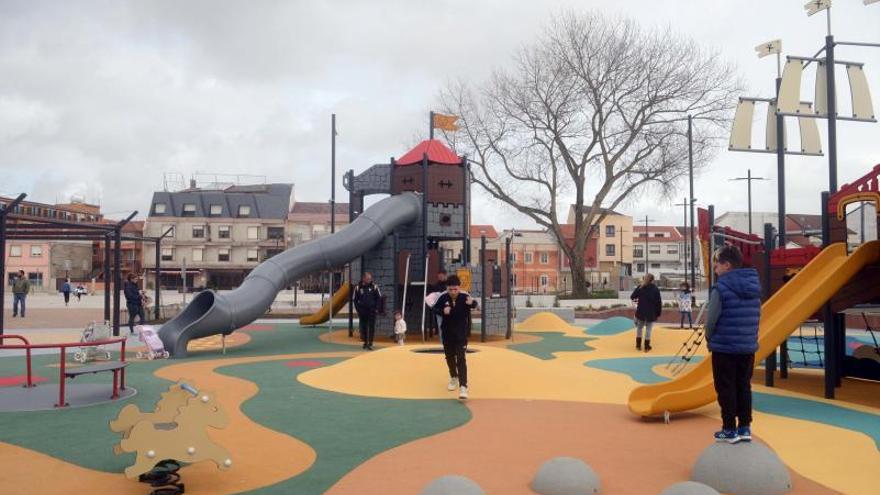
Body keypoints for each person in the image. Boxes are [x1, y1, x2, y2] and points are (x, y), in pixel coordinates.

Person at [705, 245, 761, 444]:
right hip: (747, 346)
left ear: (727, 265)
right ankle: (744, 426)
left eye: (716, 265)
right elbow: (756, 316)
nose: (715, 269)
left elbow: (711, 319)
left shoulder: (720, 288)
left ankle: (729, 428)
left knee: (725, 387)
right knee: (743, 386)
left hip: (725, 346)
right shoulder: (753, 287)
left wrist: (709, 338)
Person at [432, 275, 478, 399]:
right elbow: (434, 309)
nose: (453, 292)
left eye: (455, 289)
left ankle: (463, 386)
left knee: (461, 358)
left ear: (459, 287)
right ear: (447, 288)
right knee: (449, 357)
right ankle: (454, 377)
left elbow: (474, 304)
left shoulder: (464, 296)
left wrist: (472, 303)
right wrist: (442, 311)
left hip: (461, 334)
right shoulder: (443, 297)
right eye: (450, 289)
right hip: (447, 333)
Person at [629, 273, 662, 352]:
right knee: (648, 330)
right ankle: (647, 346)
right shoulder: (655, 289)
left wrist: (639, 288)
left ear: (644, 279)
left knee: (639, 328)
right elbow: (658, 302)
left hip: (641, 311)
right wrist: (658, 313)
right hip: (651, 312)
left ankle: (638, 345)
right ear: (652, 280)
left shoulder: (641, 287)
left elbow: (632, 296)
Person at [353, 272, 381, 350]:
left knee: (371, 327)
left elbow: (379, 298)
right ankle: (365, 342)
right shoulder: (358, 288)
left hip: (372, 310)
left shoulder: (374, 287)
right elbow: (355, 300)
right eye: (368, 279)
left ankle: (370, 343)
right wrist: (358, 310)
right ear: (364, 279)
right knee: (363, 327)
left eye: (370, 278)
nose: (370, 280)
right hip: (362, 311)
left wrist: (376, 308)